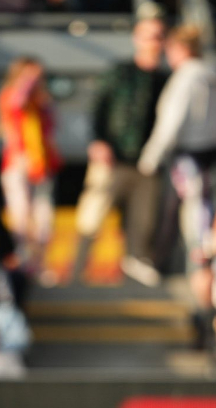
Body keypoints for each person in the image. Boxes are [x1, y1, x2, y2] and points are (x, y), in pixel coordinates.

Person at [75, 16, 167, 287]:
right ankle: (77, 273)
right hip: (113, 158)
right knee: (93, 215)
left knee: (143, 223)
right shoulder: (120, 72)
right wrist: (98, 141)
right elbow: (98, 108)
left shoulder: (165, 79)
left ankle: (135, 278)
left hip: (147, 164)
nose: (154, 42)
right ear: (137, 39)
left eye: (159, 36)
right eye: (149, 36)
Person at [138, 25, 216, 274]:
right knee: (199, 210)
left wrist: (151, 156)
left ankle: (169, 264)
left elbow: (172, 120)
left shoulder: (187, 76)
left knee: (190, 215)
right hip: (212, 153)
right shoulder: (215, 74)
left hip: (190, 154)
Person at [0, 57, 61, 273]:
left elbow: (52, 129)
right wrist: (27, 81)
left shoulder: (43, 102)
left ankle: (39, 264)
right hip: (18, 162)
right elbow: (17, 102)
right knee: (21, 216)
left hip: (42, 163)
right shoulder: (10, 96)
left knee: (44, 218)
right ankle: (24, 264)